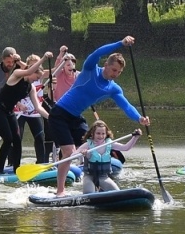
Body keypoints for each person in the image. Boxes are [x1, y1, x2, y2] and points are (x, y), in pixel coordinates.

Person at [50, 37, 149, 196]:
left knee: (95, 146)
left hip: (76, 117)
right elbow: (97, 53)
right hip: (59, 114)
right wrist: (120, 44)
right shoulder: (90, 69)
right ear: (106, 65)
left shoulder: (113, 88)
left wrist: (139, 118)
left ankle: (96, 184)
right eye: (114, 70)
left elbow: (126, 106)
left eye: (119, 72)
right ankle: (60, 191)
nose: (116, 74)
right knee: (68, 152)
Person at [0, 54, 51, 173]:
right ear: (31, 72)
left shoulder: (31, 88)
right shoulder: (17, 74)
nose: (36, 80)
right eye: (36, 77)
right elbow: (29, 69)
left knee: (17, 140)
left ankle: (16, 169)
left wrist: (52, 118)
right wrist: (44, 58)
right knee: (8, 139)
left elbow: (38, 108)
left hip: (9, 112)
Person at [77, 117, 142, 194]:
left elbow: (125, 148)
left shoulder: (109, 143)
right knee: (89, 193)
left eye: (103, 134)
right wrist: (81, 153)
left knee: (117, 193)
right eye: (98, 133)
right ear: (92, 133)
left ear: (106, 134)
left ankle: (101, 191)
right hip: (89, 177)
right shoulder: (87, 144)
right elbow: (73, 154)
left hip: (103, 177)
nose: (100, 136)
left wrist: (135, 138)